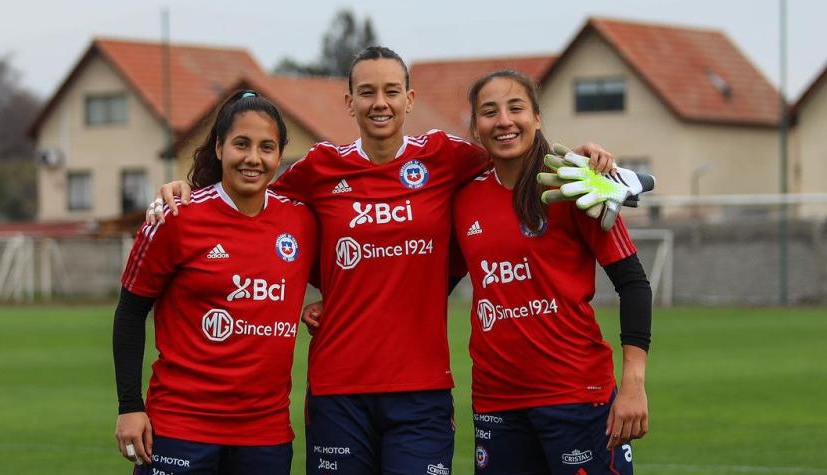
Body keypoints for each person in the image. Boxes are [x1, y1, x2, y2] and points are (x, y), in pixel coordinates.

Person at [149, 47, 614, 474]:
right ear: (349, 102)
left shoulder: (445, 157)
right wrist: (191, 191)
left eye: (391, 91)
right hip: (338, 391)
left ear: (409, 99)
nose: (380, 103)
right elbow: (250, 195)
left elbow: (512, 149)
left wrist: (578, 155)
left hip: (422, 391)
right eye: (367, 92)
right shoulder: (321, 167)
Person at [451, 70, 651, 474]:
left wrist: (633, 382)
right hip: (496, 403)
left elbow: (634, 285)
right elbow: (422, 280)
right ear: (475, 128)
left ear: (537, 118)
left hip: (578, 397)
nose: (504, 120)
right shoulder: (464, 198)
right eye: (489, 112)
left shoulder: (575, 185)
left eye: (516, 108)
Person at [113, 90, 317, 474]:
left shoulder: (301, 221)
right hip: (181, 426)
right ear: (220, 147)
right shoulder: (176, 217)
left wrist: (325, 305)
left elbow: (350, 272)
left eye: (266, 147)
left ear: (280, 155)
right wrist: (129, 406)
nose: (253, 158)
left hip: (266, 433)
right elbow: (129, 311)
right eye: (242, 144)